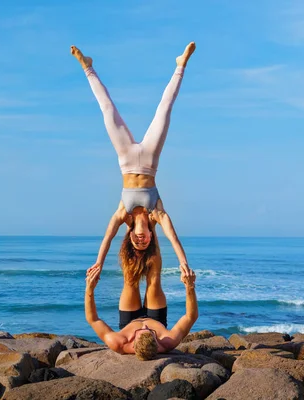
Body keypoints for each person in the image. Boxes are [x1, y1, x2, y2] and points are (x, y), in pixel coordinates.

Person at [71, 42, 196, 328]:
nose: (141, 239)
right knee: (165, 112)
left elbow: (106, 237)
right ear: (151, 236)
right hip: (150, 160)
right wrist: (183, 263)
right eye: (145, 240)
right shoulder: (157, 213)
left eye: (137, 241)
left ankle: (87, 67)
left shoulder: (124, 215)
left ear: (132, 237)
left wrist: (99, 263)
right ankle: (180, 65)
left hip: (127, 160)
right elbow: (174, 239)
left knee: (107, 110)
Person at [84, 265, 198, 360]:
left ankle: (135, 245)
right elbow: (190, 317)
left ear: (133, 345)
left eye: (139, 331)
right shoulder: (168, 341)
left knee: (130, 278)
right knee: (154, 280)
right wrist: (190, 287)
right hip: (157, 318)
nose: (145, 326)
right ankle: (150, 243)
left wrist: (89, 289)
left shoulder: (118, 343)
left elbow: (93, 319)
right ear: (158, 345)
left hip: (129, 321)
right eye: (151, 331)